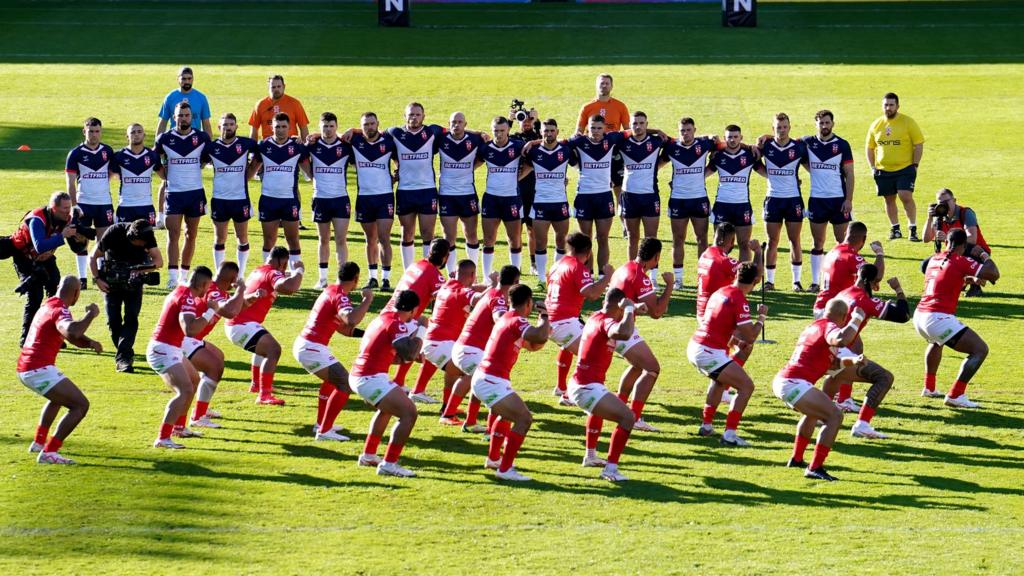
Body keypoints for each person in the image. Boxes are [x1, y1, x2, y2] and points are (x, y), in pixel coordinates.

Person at [773, 298, 862, 482]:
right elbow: (841, 340)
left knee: (812, 414)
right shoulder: (829, 327)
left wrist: (854, 361)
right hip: (794, 382)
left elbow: (831, 365)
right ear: (843, 317)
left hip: (787, 380)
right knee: (835, 416)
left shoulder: (814, 326)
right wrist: (857, 319)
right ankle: (815, 467)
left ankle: (797, 459)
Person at [18, 276, 102, 464]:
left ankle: (39, 442)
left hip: (28, 366)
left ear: (58, 288)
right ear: (76, 293)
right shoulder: (60, 310)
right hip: (37, 368)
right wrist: (90, 315)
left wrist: (89, 342)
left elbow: (71, 336)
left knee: (57, 399)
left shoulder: (48, 304)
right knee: (80, 405)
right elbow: (72, 331)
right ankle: (50, 452)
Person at [472, 284, 551, 481]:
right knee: (524, 419)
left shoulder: (507, 318)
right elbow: (539, 335)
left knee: (506, 416)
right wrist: (545, 317)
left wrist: (544, 330)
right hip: (491, 380)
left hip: (488, 378)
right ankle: (505, 469)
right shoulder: (517, 321)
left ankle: (494, 459)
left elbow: (533, 345)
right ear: (529, 303)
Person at [914, 229, 999, 408]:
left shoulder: (933, 259)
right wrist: (983, 254)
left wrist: (966, 280)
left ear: (947, 243)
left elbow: (943, 280)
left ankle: (929, 388)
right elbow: (993, 274)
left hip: (920, 316)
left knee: (937, 342)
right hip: (937, 317)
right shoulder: (961, 260)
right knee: (979, 350)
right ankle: (956, 394)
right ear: (962, 246)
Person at [687, 261, 767, 447]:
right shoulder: (739, 299)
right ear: (756, 280)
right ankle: (730, 434)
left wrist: (735, 341)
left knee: (719, 381)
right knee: (746, 387)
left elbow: (720, 322)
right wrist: (761, 317)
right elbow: (751, 336)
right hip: (709, 351)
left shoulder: (721, 292)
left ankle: (706, 426)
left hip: (697, 345)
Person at [294, 262, 374, 441]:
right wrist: (367, 300)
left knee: (332, 380)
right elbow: (351, 319)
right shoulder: (340, 296)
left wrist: (367, 334)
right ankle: (324, 431)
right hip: (312, 348)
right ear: (356, 279)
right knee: (344, 383)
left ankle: (321, 424)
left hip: (308, 345)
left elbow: (344, 328)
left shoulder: (330, 290)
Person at [349, 290, 424, 477]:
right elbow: (407, 352)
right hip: (370, 378)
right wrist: (422, 330)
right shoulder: (396, 324)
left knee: (387, 409)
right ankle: (389, 464)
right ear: (414, 310)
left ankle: (368, 455)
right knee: (409, 413)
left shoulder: (383, 318)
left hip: (364, 375)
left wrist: (411, 356)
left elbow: (392, 355)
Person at [571, 288, 638, 482]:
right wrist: (628, 311)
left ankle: (590, 456)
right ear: (619, 307)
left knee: (597, 410)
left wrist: (634, 309)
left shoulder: (595, 316)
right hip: (586, 387)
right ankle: (610, 469)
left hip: (583, 384)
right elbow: (623, 333)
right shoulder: (607, 321)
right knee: (627, 417)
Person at [831, 264, 906, 437]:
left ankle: (835, 404)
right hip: (838, 354)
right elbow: (903, 316)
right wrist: (898, 289)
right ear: (872, 282)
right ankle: (862, 424)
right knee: (884, 378)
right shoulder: (865, 301)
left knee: (856, 346)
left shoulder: (844, 292)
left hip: (828, 347)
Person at [224, 246, 304, 405]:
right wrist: (299, 271)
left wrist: (290, 274)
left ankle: (256, 385)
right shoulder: (272, 272)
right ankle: (264, 395)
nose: (285, 267)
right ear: (281, 261)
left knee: (263, 346)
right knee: (273, 350)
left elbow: (277, 278)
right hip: (241, 324)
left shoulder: (259, 270)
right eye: (285, 263)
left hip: (237, 323)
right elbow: (289, 288)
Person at [446, 265, 521, 434]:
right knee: (493, 384)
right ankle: (489, 431)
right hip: (471, 350)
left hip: (464, 348)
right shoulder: (499, 299)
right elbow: (500, 319)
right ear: (515, 282)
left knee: (476, 382)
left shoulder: (492, 292)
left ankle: (469, 421)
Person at [608, 238, 673, 431]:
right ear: (656, 257)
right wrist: (669, 285)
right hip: (622, 328)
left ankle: (619, 408)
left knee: (637, 366)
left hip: (610, 324)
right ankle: (634, 417)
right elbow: (657, 312)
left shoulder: (624, 268)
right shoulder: (640, 276)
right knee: (652, 368)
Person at [147, 266, 216, 448]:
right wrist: (210, 312)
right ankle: (162, 438)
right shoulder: (187, 298)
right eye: (208, 286)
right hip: (163, 349)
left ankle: (179, 427)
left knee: (193, 381)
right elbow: (190, 330)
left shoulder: (181, 290)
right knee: (184, 390)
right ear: (202, 284)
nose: (208, 290)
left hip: (171, 347)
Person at [418, 259, 492, 424]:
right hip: (440, 344)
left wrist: (490, 286)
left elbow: (472, 289)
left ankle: (446, 406)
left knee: (452, 371)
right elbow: (480, 298)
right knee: (472, 373)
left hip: (436, 342)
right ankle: (448, 415)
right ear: (472, 275)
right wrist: (496, 285)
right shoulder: (462, 293)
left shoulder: (448, 285)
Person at [545, 232, 613, 405]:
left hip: (550, 319)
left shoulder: (557, 265)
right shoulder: (577, 267)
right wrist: (607, 277)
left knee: (569, 346)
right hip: (563, 321)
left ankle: (561, 386)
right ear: (589, 252)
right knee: (594, 353)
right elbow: (591, 294)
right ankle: (570, 395)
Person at [89, 219, 163, 373]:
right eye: (139, 243)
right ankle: (125, 352)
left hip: (133, 284)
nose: (142, 246)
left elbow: (159, 261)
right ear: (131, 236)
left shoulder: (147, 235)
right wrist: (97, 279)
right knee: (113, 321)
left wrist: (140, 270)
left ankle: (124, 359)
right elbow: (92, 257)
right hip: (111, 284)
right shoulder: (114, 232)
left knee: (131, 318)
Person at [9, 192, 79, 345]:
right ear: (54, 208)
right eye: (64, 208)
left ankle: (54, 335)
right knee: (35, 297)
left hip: (46, 259)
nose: (68, 212)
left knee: (57, 295)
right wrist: (63, 236)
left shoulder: (66, 218)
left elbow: (77, 247)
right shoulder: (37, 219)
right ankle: (26, 338)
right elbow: (39, 246)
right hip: (25, 259)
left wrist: (80, 236)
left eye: (69, 207)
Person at [183, 262, 248, 427]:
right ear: (234, 278)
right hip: (186, 338)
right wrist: (240, 289)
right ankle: (198, 417)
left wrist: (255, 294)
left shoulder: (216, 290)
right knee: (214, 366)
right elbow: (230, 312)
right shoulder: (213, 292)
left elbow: (241, 305)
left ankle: (202, 407)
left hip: (193, 338)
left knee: (218, 357)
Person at [154, 102, 211, 288]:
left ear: (191, 117)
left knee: (191, 234)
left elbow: (207, 159)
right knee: (173, 234)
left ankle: (184, 276)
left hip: (195, 193)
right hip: (174, 193)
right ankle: (172, 276)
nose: (183, 118)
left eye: (187, 115)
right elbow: (155, 161)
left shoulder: (202, 137)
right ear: (174, 117)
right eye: (180, 115)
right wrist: (165, 176)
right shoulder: (164, 138)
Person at [247, 112, 309, 274]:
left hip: (290, 200)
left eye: (284, 127)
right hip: (268, 200)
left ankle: (295, 274)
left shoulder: (297, 147)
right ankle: (267, 274)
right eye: (277, 127)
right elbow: (252, 170)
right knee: (269, 240)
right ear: (271, 128)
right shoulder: (263, 146)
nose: (280, 130)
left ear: (289, 128)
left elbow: (310, 172)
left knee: (293, 239)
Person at [659, 117, 717, 289]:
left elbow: (720, 148)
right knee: (678, 239)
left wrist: (704, 174)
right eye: (682, 130)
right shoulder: (672, 147)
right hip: (678, 200)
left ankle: (702, 277)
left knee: (702, 239)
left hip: (699, 199)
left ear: (695, 130)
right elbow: (657, 165)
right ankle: (678, 279)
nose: (685, 134)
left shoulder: (704, 145)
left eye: (688, 130)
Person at [386, 238, 450, 396]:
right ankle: (418, 390)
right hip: (402, 320)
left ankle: (399, 382)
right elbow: (446, 301)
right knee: (434, 341)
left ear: (429, 252)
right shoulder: (434, 275)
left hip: (389, 314)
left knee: (425, 327)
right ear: (446, 257)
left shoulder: (416, 265)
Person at [247, 74, 311, 227]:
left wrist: (306, 148)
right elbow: (254, 131)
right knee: (268, 183)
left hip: (290, 151)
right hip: (267, 152)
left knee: (292, 185)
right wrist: (252, 151)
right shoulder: (260, 105)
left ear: (284, 86)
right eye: (273, 87)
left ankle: (296, 217)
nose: (276, 89)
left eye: (278, 86)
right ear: (268, 87)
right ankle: (274, 217)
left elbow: (303, 128)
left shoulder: (294, 103)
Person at [388, 103, 445, 270]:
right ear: (404, 116)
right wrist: (351, 131)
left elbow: (456, 129)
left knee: (428, 234)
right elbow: (371, 135)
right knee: (407, 234)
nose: (414, 118)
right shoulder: (394, 133)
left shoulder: (432, 132)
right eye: (411, 114)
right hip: (405, 191)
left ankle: (429, 271)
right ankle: (408, 272)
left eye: (417, 114)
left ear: (423, 116)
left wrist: (479, 134)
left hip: (427, 191)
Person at [155, 66, 213, 230]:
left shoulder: (201, 98)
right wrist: (157, 144)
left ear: (193, 79)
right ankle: (161, 216)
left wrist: (207, 147)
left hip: (194, 146)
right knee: (167, 180)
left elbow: (206, 124)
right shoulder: (171, 97)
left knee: (191, 180)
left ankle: (192, 210)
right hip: (173, 145)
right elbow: (163, 122)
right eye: (184, 78)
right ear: (178, 79)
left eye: (189, 78)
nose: (187, 81)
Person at [803, 110, 855, 292]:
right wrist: (764, 137)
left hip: (838, 200)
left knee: (843, 242)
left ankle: (846, 283)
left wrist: (849, 199)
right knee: (818, 242)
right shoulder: (807, 143)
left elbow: (849, 173)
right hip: (817, 200)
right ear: (815, 124)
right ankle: (816, 283)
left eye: (827, 123)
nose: (824, 126)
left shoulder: (842, 144)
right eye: (821, 123)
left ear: (833, 123)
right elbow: (784, 140)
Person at [755, 113, 808, 291]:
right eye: (778, 127)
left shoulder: (799, 147)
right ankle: (769, 281)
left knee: (795, 240)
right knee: (772, 241)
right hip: (773, 199)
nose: (782, 130)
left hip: (793, 199)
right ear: (773, 129)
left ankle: (796, 281)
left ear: (790, 128)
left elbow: (810, 165)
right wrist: (767, 174)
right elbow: (754, 162)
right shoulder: (765, 146)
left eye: (785, 127)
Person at [566, 114, 625, 272]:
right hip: (584, 196)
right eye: (593, 128)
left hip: (604, 196)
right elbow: (553, 143)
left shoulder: (611, 139)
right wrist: (533, 142)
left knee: (603, 238)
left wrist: (658, 130)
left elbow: (635, 131)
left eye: (599, 128)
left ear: (605, 128)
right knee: (585, 240)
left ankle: (602, 276)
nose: (596, 131)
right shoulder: (578, 141)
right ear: (587, 128)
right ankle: (587, 275)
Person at [520, 118, 575, 284]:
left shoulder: (566, 150)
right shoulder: (534, 151)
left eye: (552, 130)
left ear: (557, 132)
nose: (549, 133)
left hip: (560, 203)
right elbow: (524, 171)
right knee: (540, 242)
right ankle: (542, 279)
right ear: (541, 132)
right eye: (546, 131)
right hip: (540, 203)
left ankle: (557, 276)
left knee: (561, 241)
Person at [65, 117, 117, 285]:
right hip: (84, 203)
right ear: (84, 131)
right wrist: (74, 205)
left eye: (97, 131)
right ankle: (82, 278)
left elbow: (112, 172)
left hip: (104, 203)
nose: (94, 135)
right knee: (81, 240)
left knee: (103, 241)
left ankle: (100, 274)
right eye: (90, 131)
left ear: (101, 132)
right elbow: (70, 182)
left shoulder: (108, 151)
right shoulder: (75, 154)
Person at [866, 92, 924, 241]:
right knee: (889, 199)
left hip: (905, 168)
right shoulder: (876, 125)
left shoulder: (908, 122)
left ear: (898, 106)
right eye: (886, 105)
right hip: (883, 169)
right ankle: (895, 228)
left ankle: (912, 228)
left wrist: (915, 165)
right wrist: (872, 167)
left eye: (891, 105)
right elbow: (870, 148)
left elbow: (918, 144)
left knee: (905, 196)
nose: (888, 108)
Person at [350, 112, 397, 290]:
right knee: (370, 238)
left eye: (372, 123)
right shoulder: (354, 141)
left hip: (384, 196)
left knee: (384, 237)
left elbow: (399, 160)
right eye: (365, 125)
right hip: (364, 197)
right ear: (361, 127)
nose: (369, 127)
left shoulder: (388, 142)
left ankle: (386, 278)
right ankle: (372, 277)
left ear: (378, 124)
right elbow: (331, 135)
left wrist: (397, 175)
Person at [207, 113, 258, 276]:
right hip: (219, 199)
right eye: (225, 124)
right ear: (219, 127)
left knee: (242, 238)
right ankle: (218, 274)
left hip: (240, 199)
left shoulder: (245, 144)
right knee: (219, 238)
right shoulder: (211, 147)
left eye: (231, 124)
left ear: (236, 126)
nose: (228, 127)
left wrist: (252, 170)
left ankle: (240, 274)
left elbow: (264, 152)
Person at [576, 73, 630, 222]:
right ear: (596, 85)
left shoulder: (620, 106)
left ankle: (625, 225)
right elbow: (578, 132)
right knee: (594, 188)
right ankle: (592, 223)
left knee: (619, 189)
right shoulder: (587, 107)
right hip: (592, 153)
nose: (604, 86)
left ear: (612, 86)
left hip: (614, 153)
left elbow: (628, 131)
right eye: (601, 83)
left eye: (607, 83)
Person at [438, 112, 485, 276]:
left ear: (466, 124)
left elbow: (483, 157)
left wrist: (471, 168)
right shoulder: (441, 139)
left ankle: (473, 273)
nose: (456, 125)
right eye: (453, 122)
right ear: (448, 123)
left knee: (471, 235)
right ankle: (452, 275)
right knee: (449, 236)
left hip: (467, 194)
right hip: (446, 194)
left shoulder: (475, 140)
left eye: (460, 122)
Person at [478, 116, 526, 278]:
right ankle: (486, 277)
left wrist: (519, 177)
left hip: (511, 198)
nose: (499, 134)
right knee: (488, 239)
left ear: (508, 131)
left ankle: (515, 278)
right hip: (491, 198)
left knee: (514, 239)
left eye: (502, 131)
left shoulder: (518, 146)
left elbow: (533, 162)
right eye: (495, 131)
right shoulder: (485, 148)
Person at [309, 112, 352, 289]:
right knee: (323, 239)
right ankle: (322, 278)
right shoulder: (312, 145)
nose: (328, 130)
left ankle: (343, 279)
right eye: (325, 126)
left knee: (341, 240)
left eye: (331, 126)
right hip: (320, 198)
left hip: (340, 199)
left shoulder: (345, 146)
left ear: (336, 127)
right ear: (320, 127)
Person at [619, 112, 668, 268]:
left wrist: (655, 132)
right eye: (634, 123)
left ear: (647, 124)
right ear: (630, 125)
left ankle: (652, 277)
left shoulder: (656, 141)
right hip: (629, 196)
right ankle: (632, 273)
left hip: (650, 196)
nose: (638, 127)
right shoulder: (622, 142)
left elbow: (675, 148)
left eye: (641, 123)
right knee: (632, 238)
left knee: (651, 239)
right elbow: (608, 136)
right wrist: (654, 129)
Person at [923, 188, 991, 296]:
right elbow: (926, 239)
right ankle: (958, 282)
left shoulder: (965, 213)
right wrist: (929, 218)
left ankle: (975, 286)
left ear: (954, 200)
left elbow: (972, 239)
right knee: (925, 264)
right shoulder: (940, 216)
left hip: (976, 251)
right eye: (940, 203)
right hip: (954, 253)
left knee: (968, 252)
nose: (944, 205)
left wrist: (947, 238)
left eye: (946, 202)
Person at [812, 222, 884, 323]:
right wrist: (879, 253)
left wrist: (869, 282)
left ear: (846, 233)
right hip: (833, 310)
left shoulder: (833, 251)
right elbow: (877, 276)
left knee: (853, 336)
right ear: (863, 239)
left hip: (824, 306)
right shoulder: (851, 256)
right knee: (846, 336)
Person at [709, 124, 759, 263]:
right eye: (729, 137)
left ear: (741, 138)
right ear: (725, 139)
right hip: (722, 205)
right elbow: (704, 173)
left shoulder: (750, 155)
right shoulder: (717, 156)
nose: (732, 140)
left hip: (742, 206)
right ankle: (717, 276)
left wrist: (792, 179)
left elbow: (767, 172)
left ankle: (744, 278)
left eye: (736, 137)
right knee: (719, 245)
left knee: (744, 244)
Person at [511, 108, 541, 274]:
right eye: (523, 119)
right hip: (517, 188)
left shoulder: (537, 135)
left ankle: (534, 264)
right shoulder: (514, 137)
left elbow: (547, 140)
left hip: (535, 188)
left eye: (529, 119)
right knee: (515, 229)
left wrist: (537, 121)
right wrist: (509, 119)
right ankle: (516, 265)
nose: (526, 122)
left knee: (532, 229)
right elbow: (502, 138)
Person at [113, 124, 161, 226]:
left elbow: (164, 176)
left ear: (144, 135)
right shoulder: (119, 156)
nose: (136, 135)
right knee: (123, 239)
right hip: (126, 205)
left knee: (147, 239)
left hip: (146, 205)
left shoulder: (152, 155)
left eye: (139, 132)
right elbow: (107, 177)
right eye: (133, 132)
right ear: (127, 136)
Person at [695, 223, 742, 321]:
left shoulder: (704, 254)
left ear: (714, 237)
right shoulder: (723, 260)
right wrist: (758, 252)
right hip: (716, 314)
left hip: (701, 312)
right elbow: (753, 276)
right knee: (747, 331)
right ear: (732, 241)